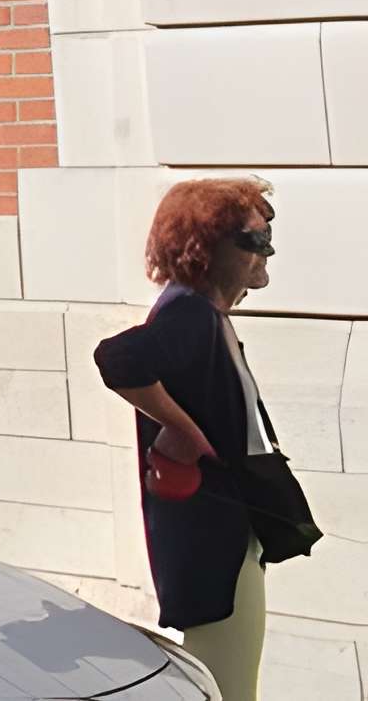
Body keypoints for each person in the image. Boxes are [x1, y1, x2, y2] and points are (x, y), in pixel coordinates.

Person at [94, 178, 324, 701]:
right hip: (213, 540)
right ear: (206, 249)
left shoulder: (200, 314)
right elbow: (118, 359)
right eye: (254, 241)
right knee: (228, 686)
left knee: (228, 678)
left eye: (269, 238)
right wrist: (181, 428)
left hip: (221, 532)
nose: (267, 254)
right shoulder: (191, 314)